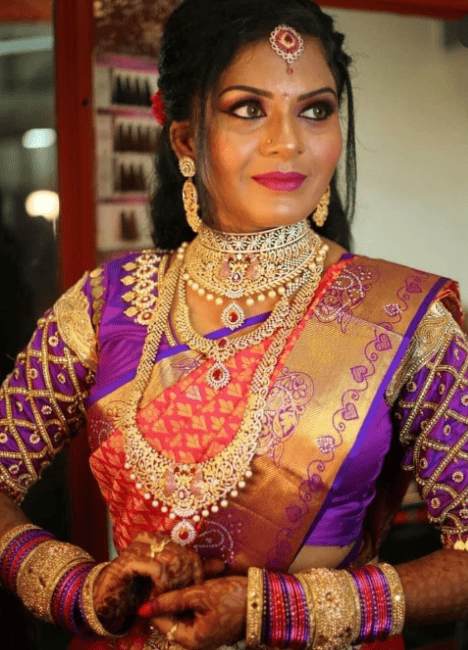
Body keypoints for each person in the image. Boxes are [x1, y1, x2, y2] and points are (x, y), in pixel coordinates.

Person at [0, 1, 467, 649]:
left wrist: (278, 610)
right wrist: (77, 586)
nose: (288, 141)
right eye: (248, 108)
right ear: (185, 139)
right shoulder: (104, 305)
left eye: (316, 110)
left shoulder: (404, 318)